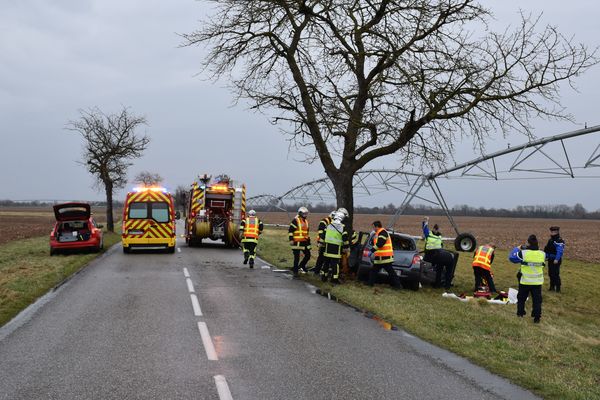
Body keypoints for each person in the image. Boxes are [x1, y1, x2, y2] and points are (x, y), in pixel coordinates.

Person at [509, 234, 546, 323]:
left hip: (525, 281)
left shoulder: (523, 253)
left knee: (521, 298)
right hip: (537, 282)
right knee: (537, 301)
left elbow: (512, 258)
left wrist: (517, 248)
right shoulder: (542, 254)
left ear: (528, 243)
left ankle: (520, 313)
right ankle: (537, 318)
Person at [422, 217, 457, 290]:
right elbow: (441, 245)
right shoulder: (440, 237)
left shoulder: (429, 234)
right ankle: (447, 286)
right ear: (437, 230)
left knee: (438, 270)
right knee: (448, 272)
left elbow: (424, 229)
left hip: (435, 255)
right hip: (447, 256)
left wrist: (425, 221)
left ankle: (437, 285)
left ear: (433, 229)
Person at [368, 221, 401, 289]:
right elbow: (376, 242)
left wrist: (371, 251)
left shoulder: (383, 232)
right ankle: (369, 284)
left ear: (377, 226)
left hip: (385, 257)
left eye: (373, 227)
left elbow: (380, 244)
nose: (373, 228)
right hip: (381, 257)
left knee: (391, 273)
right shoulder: (379, 233)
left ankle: (398, 286)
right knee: (374, 271)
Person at [320, 212, 349, 284]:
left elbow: (323, 235)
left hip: (328, 247)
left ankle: (324, 277)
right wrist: (346, 247)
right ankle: (334, 279)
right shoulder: (342, 226)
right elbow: (345, 238)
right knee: (335, 264)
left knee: (326, 263)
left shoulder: (329, 225)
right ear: (341, 218)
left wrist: (320, 243)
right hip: (336, 249)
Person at [288, 206, 311, 277]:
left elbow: (306, 233)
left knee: (308, 255)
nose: (305, 215)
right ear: (300, 213)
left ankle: (301, 266)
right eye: (304, 214)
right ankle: (295, 271)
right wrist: (291, 239)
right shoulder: (295, 220)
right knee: (296, 257)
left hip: (304, 242)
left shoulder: (306, 221)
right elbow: (290, 231)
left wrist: (308, 242)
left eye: (306, 214)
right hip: (296, 242)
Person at [312, 211, 335, 275]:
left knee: (327, 259)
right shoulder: (324, 221)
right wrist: (322, 241)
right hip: (323, 243)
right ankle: (317, 271)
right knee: (321, 258)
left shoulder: (334, 222)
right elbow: (321, 232)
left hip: (330, 243)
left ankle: (324, 272)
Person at [544, 226, 565, 292]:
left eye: (553, 232)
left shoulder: (559, 240)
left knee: (555, 274)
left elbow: (560, 251)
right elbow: (547, 249)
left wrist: (556, 259)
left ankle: (558, 288)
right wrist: (545, 256)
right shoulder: (550, 240)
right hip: (550, 259)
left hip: (556, 260)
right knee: (550, 273)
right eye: (551, 231)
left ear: (556, 232)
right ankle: (552, 287)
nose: (551, 233)